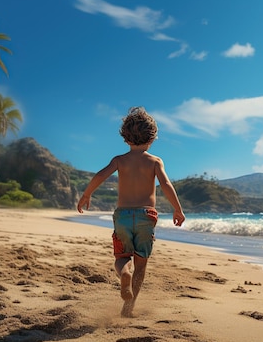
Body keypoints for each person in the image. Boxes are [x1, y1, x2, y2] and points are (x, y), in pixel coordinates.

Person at [77, 106, 185, 317]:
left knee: (122, 256)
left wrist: (86, 194)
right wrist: (177, 209)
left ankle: (124, 273)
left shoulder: (119, 160)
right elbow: (165, 185)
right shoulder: (155, 161)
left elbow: (100, 175)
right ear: (152, 138)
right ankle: (128, 309)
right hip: (147, 216)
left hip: (124, 216)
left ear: (125, 138)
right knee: (141, 264)